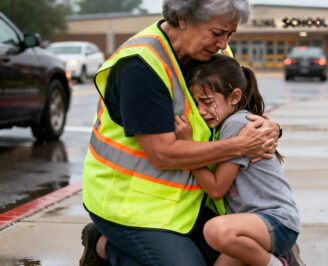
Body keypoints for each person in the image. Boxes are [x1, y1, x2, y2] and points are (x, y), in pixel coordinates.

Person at [79, 1, 282, 266]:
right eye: (217, 33)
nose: (223, 44)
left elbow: (236, 109)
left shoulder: (212, 53)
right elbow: (163, 153)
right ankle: (103, 246)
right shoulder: (140, 67)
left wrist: (272, 128)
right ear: (184, 19)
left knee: (247, 255)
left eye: (229, 35)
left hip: (188, 203)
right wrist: (240, 145)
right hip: (129, 207)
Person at [174, 54, 301, 266]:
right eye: (196, 103)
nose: (201, 111)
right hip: (253, 228)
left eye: (207, 102)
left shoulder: (236, 123)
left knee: (215, 230)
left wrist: (188, 145)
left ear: (234, 97)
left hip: (275, 222)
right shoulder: (227, 123)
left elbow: (216, 189)